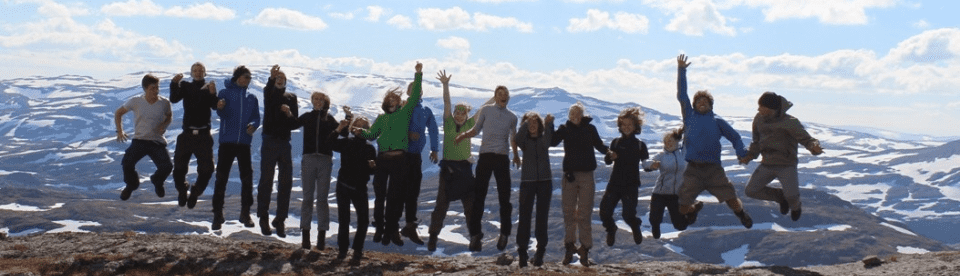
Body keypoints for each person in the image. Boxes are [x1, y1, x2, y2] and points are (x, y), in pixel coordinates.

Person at [675, 54, 753, 230]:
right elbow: (681, 95)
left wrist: (741, 152)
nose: (702, 103)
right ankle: (693, 209)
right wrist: (681, 70)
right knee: (682, 207)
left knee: (731, 199)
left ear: (711, 105)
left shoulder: (717, 121)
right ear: (694, 105)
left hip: (713, 170)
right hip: (693, 169)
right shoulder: (689, 116)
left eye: (706, 101)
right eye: (699, 101)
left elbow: (735, 137)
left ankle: (741, 214)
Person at [356, 62, 424, 247]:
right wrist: (360, 132)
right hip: (383, 159)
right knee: (379, 195)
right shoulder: (381, 118)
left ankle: (390, 230)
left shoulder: (405, 113)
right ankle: (379, 227)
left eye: (396, 98)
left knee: (394, 196)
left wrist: (418, 74)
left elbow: (416, 93)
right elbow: (371, 135)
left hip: (399, 160)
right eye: (390, 99)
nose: (393, 101)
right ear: (386, 102)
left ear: (399, 101)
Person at [426, 70, 490, 252]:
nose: (459, 115)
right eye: (457, 112)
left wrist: (495, 97)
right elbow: (447, 102)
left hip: (465, 170)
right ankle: (433, 237)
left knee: (471, 206)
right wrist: (445, 85)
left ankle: (475, 238)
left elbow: (483, 109)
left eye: (463, 113)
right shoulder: (448, 122)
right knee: (441, 206)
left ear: (467, 114)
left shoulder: (470, 124)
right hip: (448, 170)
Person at [454, 85, 519, 252]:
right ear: (495, 96)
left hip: (502, 158)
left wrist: (516, 155)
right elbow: (476, 130)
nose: (503, 96)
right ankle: (475, 236)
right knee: (479, 197)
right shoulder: (486, 110)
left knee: (504, 197)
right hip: (485, 157)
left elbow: (513, 138)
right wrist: (463, 135)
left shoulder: (512, 117)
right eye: (499, 94)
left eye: (505, 94)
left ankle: (504, 234)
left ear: (508, 97)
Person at [742, 92, 823, 221]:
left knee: (792, 196)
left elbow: (807, 140)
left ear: (770, 108)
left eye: (761, 106)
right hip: (767, 163)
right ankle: (780, 197)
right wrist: (750, 155)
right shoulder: (758, 118)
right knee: (751, 191)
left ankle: (796, 207)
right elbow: (756, 140)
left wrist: (814, 147)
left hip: (786, 165)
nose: (758, 109)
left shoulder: (790, 122)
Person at [551, 102, 609, 266]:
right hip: (569, 176)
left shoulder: (590, 129)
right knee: (569, 214)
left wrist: (610, 152)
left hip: (586, 176)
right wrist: (549, 125)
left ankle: (584, 249)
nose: (575, 117)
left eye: (577, 114)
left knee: (584, 214)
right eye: (572, 115)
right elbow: (552, 142)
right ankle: (569, 248)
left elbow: (598, 145)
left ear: (582, 115)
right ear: (569, 116)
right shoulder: (564, 129)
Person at [211, 65, 260, 231]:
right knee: (221, 178)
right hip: (227, 142)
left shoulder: (252, 98)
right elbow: (222, 114)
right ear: (237, 77)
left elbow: (256, 118)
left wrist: (253, 125)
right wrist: (220, 107)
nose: (247, 80)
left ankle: (245, 213)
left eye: (249, 78)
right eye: (244, 76)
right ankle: (217, 215)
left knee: (247, 179)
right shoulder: (225, 93)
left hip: (244, 143)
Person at [257, 65, 300, 238]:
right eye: (277, 78)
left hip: (284, 144)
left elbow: (295, 122)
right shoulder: (270, 93)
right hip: (269, 142)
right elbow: (268, 91)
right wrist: (271, 78)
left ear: (287, 81)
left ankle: (280, 220)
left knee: (285, 182)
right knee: (266, 180)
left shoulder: (291, 97)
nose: (280, 79)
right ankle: (263, 217)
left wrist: (289, 114)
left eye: (283, 77)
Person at [115, 74, 173, 201]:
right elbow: (118, 113)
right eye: (152, 88)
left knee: (167, 167)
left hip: (156, 141)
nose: (156, 91)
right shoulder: (136, 101)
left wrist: (164, 125)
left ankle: (157, 180)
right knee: (127, 162)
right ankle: (131, 185)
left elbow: (169, 116)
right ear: (145, 88)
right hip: (139, 141)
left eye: (157, 88)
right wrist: (120, 131)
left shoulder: (164, 103)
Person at [329, 114, 377, 263]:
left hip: (360, 187)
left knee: (363, 220)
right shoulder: (346, 142)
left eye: (364, 127)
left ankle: (357, 251)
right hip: (343, 186)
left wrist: (373, 167)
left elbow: (371, 172)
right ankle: (342, 251)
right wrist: (339, 128)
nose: (360, 129)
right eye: (358, 126)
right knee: (344, 220)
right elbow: (329, 143)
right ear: (352, 128)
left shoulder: (370, 149)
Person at [171, 62, 219, 209]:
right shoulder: (185, 86)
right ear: (191, 73)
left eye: (201, 71)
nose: (198, 73)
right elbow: (174, 99)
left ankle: (195, 192)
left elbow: (214, 106)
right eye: (195, 70)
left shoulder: (209, 87)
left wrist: (213, 93)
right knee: (179, 168)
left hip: (204, 135)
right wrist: (174, 83)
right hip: (187, 135)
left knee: (208, 170)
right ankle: (182, 190)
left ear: (205, 73)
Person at [399, 73, 441, 246]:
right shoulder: (402, 107)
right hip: (400, 154)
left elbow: (433, 130)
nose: (416, 91)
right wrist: (406, 133)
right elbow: (392, 125)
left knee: (413, 192)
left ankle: (410, 226)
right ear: (408, 92)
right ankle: (391, 227)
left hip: (416, 155)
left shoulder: (426, 110)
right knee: (397, 191)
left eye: (419, 89)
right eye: (413, 88)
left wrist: (435, 149)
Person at [296, 91, 339, 250]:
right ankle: (305, 237)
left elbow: (344, 132)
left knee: (322, 199)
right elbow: (293, 124)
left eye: (321, 99)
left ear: (325, 102)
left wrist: (348, 119)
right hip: (308, 158)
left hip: (325, 160)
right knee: (307, 198)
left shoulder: (330, 119)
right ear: (312, 101)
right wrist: (286, 112)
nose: (318, 101)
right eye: (316, 99)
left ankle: (321, 238)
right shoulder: (307, 116)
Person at [600, 107, 649, 247]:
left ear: (635, 127)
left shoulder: (640, 145)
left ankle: (635, 226)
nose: (626, 127)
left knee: (628, 215)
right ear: (620, 126)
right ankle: (611, 229)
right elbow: (608, 161)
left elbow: (646, 165)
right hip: (614, 184)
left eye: (630, 125)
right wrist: (610, 156)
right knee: (604, 211)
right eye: (624, 125)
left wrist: (652, 166)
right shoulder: (615, 142)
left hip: (631, 185)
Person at [512, 112, 555, 267]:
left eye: (535, 122)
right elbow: (516, 139)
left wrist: (549, 124)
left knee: (541, 219)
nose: (532, 125)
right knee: (524, 217)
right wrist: (525, 122)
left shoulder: (543, 139)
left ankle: (540, 254)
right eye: (529, 123)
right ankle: (522, 254)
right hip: (527, 182)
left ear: (540, 124)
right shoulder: (524, 141)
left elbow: (548, 141)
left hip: (545, 182)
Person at [642, 128, 689, 239]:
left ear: (677, 142)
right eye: (666, 141)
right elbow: (645, 163)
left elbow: (689, 135)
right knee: (654, 218)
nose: (668, 143)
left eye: (671, 141)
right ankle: (655, 227)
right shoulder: (661, 155)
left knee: (680, 225)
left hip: (676, 195)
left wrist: (687, 123)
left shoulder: (684, 153)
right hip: (660, 193)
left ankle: (692, 213)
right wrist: (652, 165)